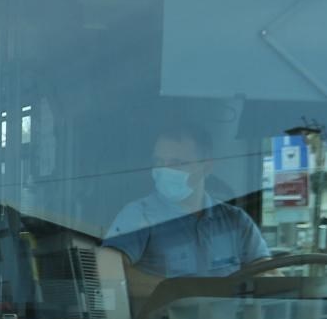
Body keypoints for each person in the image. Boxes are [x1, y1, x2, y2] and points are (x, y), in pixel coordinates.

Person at [103, 122, 269, 284]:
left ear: (206, 167)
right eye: (159, 162)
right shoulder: (140, 215)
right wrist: (176, 292)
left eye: (177, 163)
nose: (165, 170)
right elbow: (109, 271)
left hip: (227, 312)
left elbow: (265, 270)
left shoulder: (235, 220)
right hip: (166, 312)